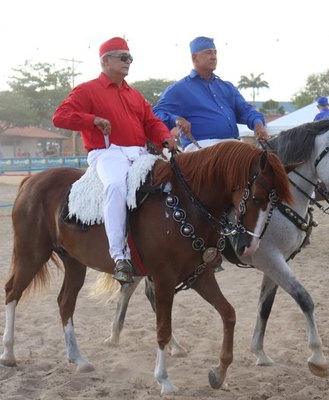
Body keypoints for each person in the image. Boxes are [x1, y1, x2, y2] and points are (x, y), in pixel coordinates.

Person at [53, 36, 177, 284]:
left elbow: (151, 122)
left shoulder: (134, 94)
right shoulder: (87, 90)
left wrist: (165, 137)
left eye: (130, 57)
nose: (128, 62)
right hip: (107, 153)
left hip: (138, 153)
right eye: (123, 57)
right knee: (116, 186)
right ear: (105, 60)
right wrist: (92, 121)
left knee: (174, 179)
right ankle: (119, 256)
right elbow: (60, 117)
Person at [152, 36, 268, 151]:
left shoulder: (227, 87)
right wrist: (176, 119)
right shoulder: (179, 88)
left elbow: (246, 110)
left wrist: (257, 123)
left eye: (215, 53)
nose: (214, 57)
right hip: (201, 149)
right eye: (208, 53)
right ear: (194, 58)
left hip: (232, 146)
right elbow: (157, 113)